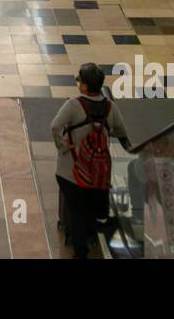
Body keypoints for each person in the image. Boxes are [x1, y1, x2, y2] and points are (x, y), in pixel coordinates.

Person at [51, 63, 129, 259]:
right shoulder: (111, 107)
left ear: (84, 86)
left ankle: (80, 252)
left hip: (71, 171)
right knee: (89, 208)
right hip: (97, 171)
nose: (78, 83)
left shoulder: (73, 104)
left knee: (76, 212)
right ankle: (91, 234)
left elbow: (55, 126)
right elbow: (121, 131)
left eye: (79, 80)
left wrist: (62, 146)